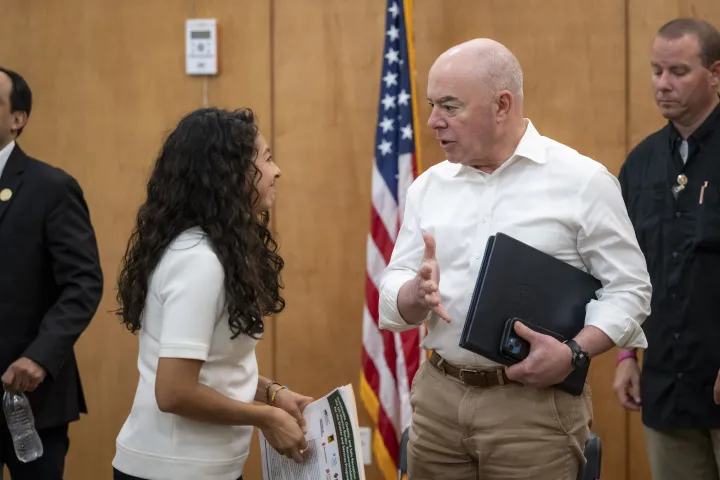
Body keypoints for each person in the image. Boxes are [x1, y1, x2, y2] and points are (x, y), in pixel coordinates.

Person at [378, 38, 653, 479]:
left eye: (450, 106)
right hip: (438, 399)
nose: (433, 121)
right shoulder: (429, 186)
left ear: (502, 105)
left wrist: (574, 352)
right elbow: (394, 287)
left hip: (533, 409)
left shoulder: (581, 181)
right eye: (432, 104)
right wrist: (413, 291)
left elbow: (630, 288)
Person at [111, 107, 311, 480]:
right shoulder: (198, 262)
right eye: (265, 159)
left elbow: (213, 370)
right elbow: (173, 391)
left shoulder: (212, 251)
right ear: (229, 176)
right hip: (169, 471)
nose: (276, 170)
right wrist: (266, 418)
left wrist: (272, 393)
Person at [613, 18, 720, 480]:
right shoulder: (640, 163)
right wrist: (625, 355)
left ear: (715, 73)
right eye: (656, 70)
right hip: (666, 385)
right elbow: (623, 269)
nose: (662, 84)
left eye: (678, 71)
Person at [0, 67, 103, 480]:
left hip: (28, 397)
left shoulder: (50, 187)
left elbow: (83, 283)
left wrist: (39, 356)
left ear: (17, 118)